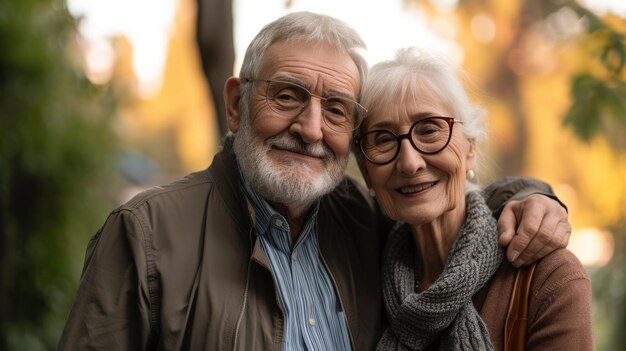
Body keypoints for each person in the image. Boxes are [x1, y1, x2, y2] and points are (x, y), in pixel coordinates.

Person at [58, 12, 572, 350]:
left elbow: (444, 196)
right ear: (237, 104)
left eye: (337, 110)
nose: (310, 129)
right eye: (286, 96)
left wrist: (532, 196)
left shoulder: (362, 222)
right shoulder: (147, 234)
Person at [354, 47, 594, 350]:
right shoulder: (361, 283)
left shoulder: (548, 277)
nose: (409, 162)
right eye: (384, 139)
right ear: (366, 172)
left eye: (429, 130)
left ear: (470, 149)